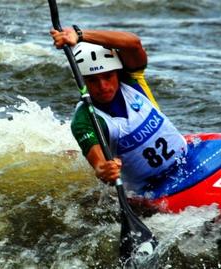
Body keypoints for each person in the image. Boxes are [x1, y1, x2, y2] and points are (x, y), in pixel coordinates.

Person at [50, 26, 187, 193]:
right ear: (82, 81)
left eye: (108, 76)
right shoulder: (85, 119)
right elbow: (99, 163)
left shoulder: (132, 80)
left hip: (187, 157)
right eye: (92, 80)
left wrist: (80, 35)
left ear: (117, 73)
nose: (103, 86)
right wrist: (104, 170)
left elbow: (133, 44)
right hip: (149, 190)